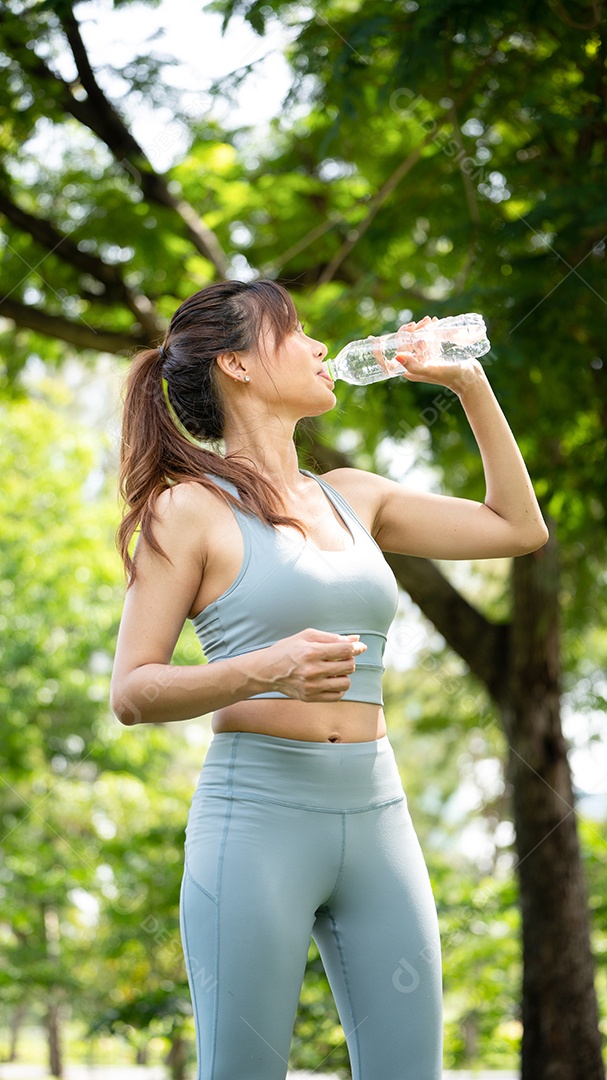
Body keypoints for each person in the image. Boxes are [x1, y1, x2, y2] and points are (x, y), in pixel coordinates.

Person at [110, 279, 548, 1080]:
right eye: (298, 332)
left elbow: (517, 528)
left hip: (378, 813)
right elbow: (132, 690)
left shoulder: (353, 496)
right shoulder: (189, 508)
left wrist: (466, 382)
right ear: (236, 364)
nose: (321, 348)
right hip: (257, 820)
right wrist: (265, 668)